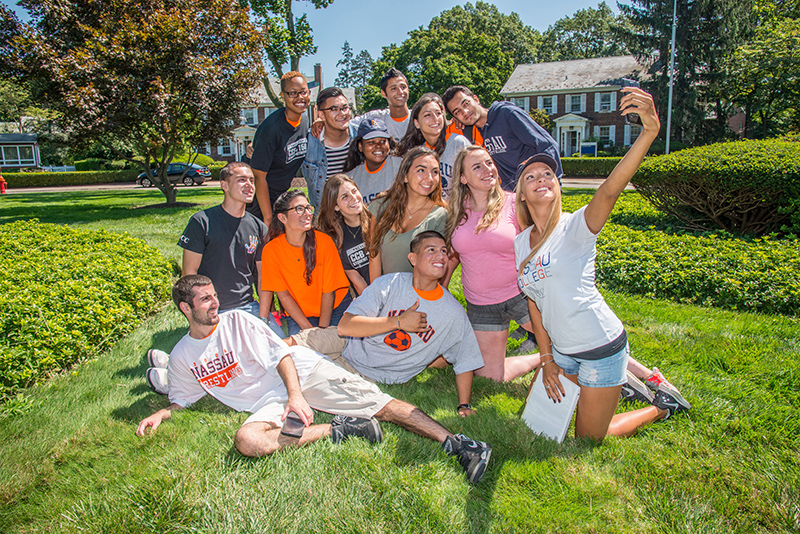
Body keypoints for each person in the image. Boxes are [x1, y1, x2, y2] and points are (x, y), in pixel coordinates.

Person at [137, 275, 492, 484]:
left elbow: (282, 355)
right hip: (266, 402)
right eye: (205, 299)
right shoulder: (184, 354)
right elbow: (182, 398)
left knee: (381, 406)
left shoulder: (237, 322)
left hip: (301, 372)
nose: (214, 303)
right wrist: (161, 413)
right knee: (248, 441)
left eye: (214, 295)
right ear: (186, 309)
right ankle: (344, 429)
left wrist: (296, 396)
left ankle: (460, 445)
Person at [514, 88, 690, 442]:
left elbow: (609, 190)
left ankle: (662, 405)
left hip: (600, 349)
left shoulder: (576, 227)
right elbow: (535, 302)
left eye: (548, 174)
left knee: (588, 437)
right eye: (531, 177)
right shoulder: (521, 243)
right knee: (536, 422)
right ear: (520, 193)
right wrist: (547, 360)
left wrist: (649, 132)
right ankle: (613, 391)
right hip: (562, 353)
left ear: (557, 186)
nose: (541, 179)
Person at [289, 231, 485, 419]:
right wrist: (398, 322)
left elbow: (465, 359)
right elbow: (345, 327)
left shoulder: (452, 313)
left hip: (368, 374)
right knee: (286, 346)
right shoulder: (390, 283)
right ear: (413, 258)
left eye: (444, 251)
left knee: (302, 375)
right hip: (345, 342)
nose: (440, 255)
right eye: (431, 250)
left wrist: (464, 405)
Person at [444, 146, 539, 382]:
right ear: (463, 178)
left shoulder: (515, 203)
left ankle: (637, 371)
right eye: (477, 166)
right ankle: (541, 358)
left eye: (489, 163)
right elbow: (454, 256)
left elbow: (540, 242)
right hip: (481, 305)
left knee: (570, 339)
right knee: (488, 377)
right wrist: (441, 291)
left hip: (521, 295)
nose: (488, 169)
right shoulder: (456, 212)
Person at [176, 161, 282, 336]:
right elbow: (189, 274)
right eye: (241, 180)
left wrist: (264, 316)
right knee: (224, 358)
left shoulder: (258, 227)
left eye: (251, 180)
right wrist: (199, 316)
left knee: (280, 346)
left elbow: (264, 276)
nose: (249, 185)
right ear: (224, 185)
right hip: (213, 309)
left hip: (248, 306)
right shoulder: (201, 222)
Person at [260, 190, 352, 336]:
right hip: (299, 314)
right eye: (299, 209)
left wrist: (322, 331)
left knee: (337, 347)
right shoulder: (271, 250)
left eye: (308, 208)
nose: (307, 213)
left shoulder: (324, 242)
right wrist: (308, 330)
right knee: (302, 353)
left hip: (335, 308)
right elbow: (284, 296)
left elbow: (329, 292)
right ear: (282, 217)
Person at [442, 85, 562, 192]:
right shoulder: (476, 133)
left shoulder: (506, 114)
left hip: (537, 189)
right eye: (457, 112)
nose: (465, 112)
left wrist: (554, 186)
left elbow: (548, 145)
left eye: (466, 103)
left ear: (476, 99)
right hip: (514, 197)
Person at [368, 146, 447, 280]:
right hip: (385, 292)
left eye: (435, 172)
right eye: (421, 170)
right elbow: (374, 254)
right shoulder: (381, 205)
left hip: (418, 296)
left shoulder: (440, 216)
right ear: (405, 176)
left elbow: (437, 269)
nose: (429, 178)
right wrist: (376, 294)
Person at [249, 71, 310, 223]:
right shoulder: (272, 128)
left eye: (303, 92)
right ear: (283, 96)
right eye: (293, 93)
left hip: (280, 195)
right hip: (259, 199)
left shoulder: (305, 120)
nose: (300, 97)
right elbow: (259, 177)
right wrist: (268, 217)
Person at [396, 93, 472, 199]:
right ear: (417, 123)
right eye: (427, 115)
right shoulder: (418, 153)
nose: (435, 118)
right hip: (434, 212)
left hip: (461, 211)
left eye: (438, 113)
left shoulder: (458, 143)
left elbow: (475, 180)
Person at [316, 174, 376, 295]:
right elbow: (357, 281)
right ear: (336, 207)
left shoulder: (376, 219)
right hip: (370, 295)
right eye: (345, 197)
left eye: (354, 191)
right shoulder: (337, 238)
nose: (354, 198)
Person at [302, 87, 357, 209]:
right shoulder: (309, 143)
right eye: (334, 109)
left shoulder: (361, 138)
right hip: (323, 218)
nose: (342, 113)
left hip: (357, 217)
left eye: (344, 108)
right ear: (321, 114)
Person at [343, 119, 402, 205]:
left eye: (383, 141)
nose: (378, 146)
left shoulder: (400, 166)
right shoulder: (351, 178)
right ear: (360, 146)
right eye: (371, 142)